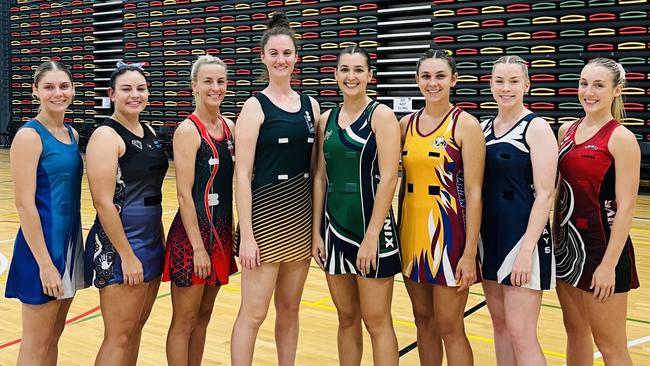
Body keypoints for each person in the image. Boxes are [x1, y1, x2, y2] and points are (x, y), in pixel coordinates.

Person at [230, 11, 320, 366]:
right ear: (264, 57)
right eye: (274, 53)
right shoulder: (254, 108)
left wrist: (314, 232)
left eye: (287, 53)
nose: (281, 60)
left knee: (289, 310)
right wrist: (247, 235)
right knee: (253, 314)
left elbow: (315, 174)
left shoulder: (310, 106)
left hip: (298, 224)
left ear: (297, 57)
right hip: (264, 227)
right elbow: (241, 176)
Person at [311, 46, 402, 366]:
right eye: (345, 70)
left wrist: (372, 236)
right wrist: (316, 234)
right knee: (346, 317)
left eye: (358, 70)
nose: (351, 77)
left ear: (369, 76)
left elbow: (390, 178)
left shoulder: (382, 116)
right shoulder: (326, 120)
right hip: (335, 230)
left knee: (377, 322)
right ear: (336, 75)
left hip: (372, 231)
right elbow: (320, 178)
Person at [398, 49, 485, 366]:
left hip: (449, 236)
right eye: (426, 76)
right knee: (423, 320)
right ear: (417, 80)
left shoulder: (466, 124)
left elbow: (475, 192)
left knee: (450, 326)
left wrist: (470, 252)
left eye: (440, 76)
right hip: (411, 233)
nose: (432, 83)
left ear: (453, 80)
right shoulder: (405, 124)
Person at [554, 58, 640, 366]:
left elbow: (627, 207)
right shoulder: (566, 130)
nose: (588, 92)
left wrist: (608, 265)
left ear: (617, 90)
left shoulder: (621, 138)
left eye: (598, 85)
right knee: (575, 331)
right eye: (584, 83)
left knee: (610, 345)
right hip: (568, 250)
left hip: (604, 250)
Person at [84, 62, 169, 366]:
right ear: (111, 94)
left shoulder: (148, 130)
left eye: (141, 88)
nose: (135, 95)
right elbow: (103, 203)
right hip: (121, 247)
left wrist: (159, 240)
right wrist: (127, 255)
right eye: (127, 89)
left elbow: (151, 193)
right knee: (118, 336)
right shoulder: (106, 136)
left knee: (134, 331)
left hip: (150, 242)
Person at [5, 61, 85, 365]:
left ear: (73, 90)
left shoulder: (72, 135)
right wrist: (45, 264)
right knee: (35, 344)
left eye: (64, 86)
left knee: (54, 335)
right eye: (49, 87)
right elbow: (25, 204)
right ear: (35, 90)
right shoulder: (29, 136)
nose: (58, 93)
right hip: (41, 252)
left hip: (68, 247)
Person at [479, 55, 557, 366]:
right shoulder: (483, 128)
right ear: (490, 85)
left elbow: (546, 193)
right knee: (500, 327)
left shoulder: (536, 127)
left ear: (526, 84)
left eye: (513, 81)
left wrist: (527, 249)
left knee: (522, 333)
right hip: (490, 236)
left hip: (522, 238)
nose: (506, 88)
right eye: (499, 81)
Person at [163, 55, 237, 366]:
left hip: (220, 236)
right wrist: (197, 248)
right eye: (208, 81)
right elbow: (184, 194)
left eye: (220, 81)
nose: (215, 87)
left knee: (203, 318)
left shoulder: (230, 127)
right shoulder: (187, 131)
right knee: (184, 321)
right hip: (191, 240)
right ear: (194, 86)